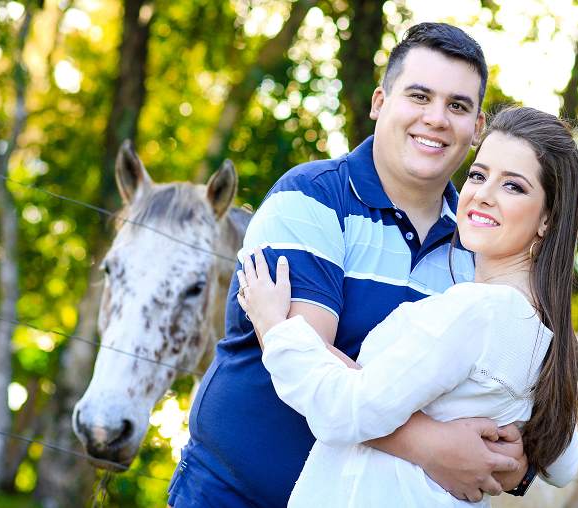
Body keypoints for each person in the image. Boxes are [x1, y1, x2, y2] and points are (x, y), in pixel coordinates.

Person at [169, 23, 539, 507]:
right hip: (236, 494)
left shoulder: (479, 247)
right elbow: (311, 363)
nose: (436, 119)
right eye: (419, 96)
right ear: (380, 102)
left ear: (477, 128)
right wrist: (434, 446)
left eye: (457, 106)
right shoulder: (310, 198)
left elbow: (496, 394)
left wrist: (515, 462)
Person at [237, 106, 578, 507]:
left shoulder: (477, 311)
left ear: (547, 219)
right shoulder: (544, 332)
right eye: (478, 175)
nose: (483, 195)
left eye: (513, 186)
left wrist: (274, 328)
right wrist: (515, 457)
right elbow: (566, 463)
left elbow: (345, 409)